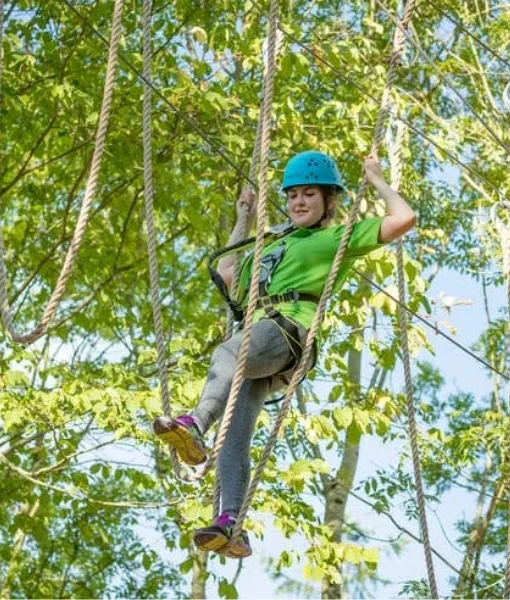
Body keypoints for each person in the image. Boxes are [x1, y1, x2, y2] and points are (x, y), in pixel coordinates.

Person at [153, 150, 416, 558]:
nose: (298, 202)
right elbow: (226, 273)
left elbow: (403, 220)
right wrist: (244, 215)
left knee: (228, 352)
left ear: (329, 201)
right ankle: (232, 525)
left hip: (286, 332)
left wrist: (377, 180)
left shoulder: (333, 238)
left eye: (309, 194)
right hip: (259, 342)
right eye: (292, 195)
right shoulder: (270, 242)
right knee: (236, 434)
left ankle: (196, 425)